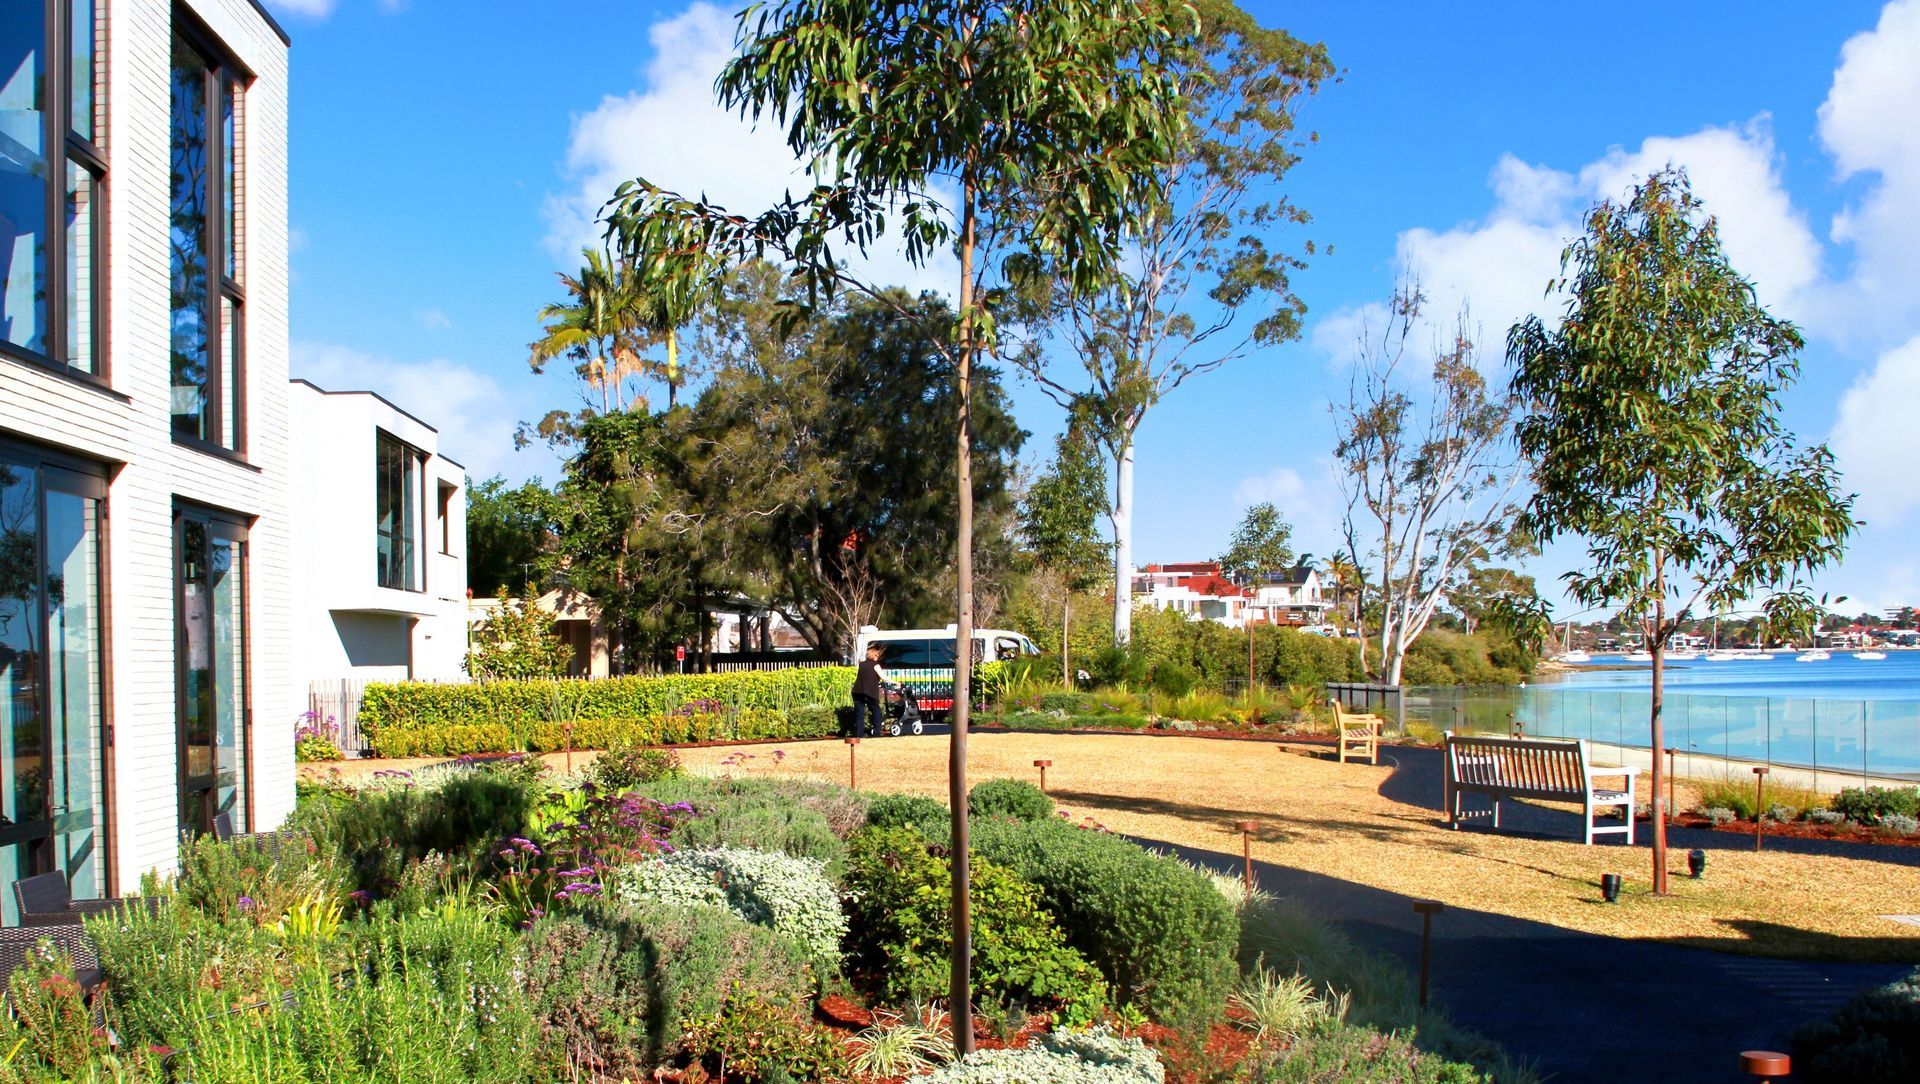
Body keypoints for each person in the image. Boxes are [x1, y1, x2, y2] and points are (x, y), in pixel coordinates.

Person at [852, 642, 890, 737]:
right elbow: (884, 678)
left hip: (857, 691)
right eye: (877, 655)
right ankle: (876, 732)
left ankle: (859, 734)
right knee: (876, 710)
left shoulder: (861, 665)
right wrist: (896, 682)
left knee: (859, 713)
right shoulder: (875, 665)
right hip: (869, 692)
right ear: (875, 655)